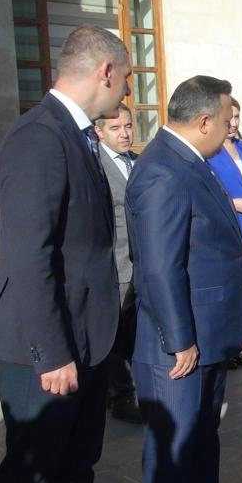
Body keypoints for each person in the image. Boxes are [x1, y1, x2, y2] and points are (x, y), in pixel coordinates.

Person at [0, 25, 130, 483]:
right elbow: (27, 253)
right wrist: (53, 352)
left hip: (85, 338)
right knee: (28, 479)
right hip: (42, 349)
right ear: (106, 72)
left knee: (76, 468)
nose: (126, 92)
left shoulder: (79, 134)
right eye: (126, 78)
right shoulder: (39, 135)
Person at [127, 75, 242, 483]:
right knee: (175, 444)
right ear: (204, 120)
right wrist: (180, 338)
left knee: (204, 433)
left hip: (207, 334)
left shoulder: (190, 159)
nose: (232, 128)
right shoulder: (162, 169)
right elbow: (159, 266)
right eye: (227, 120)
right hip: (179, 341)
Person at [95, 104, 142, 424]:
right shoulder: (95, 167)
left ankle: (133, 389)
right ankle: (120, 394)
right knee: (114, 333)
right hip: (116, 264)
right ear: (99, 132)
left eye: (128, 126)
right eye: (115, 128)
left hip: (141, 263)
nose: (124, 134)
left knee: (134, 330)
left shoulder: (137, 162)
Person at [207, 97, 242, 369]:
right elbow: (206, 193)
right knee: (225, 288)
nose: (234, 123)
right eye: (229, 118)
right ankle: (222, 349)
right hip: (224, 225)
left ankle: (237, 345)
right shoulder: (210, 153)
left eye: (237, 117)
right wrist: (233, 204)